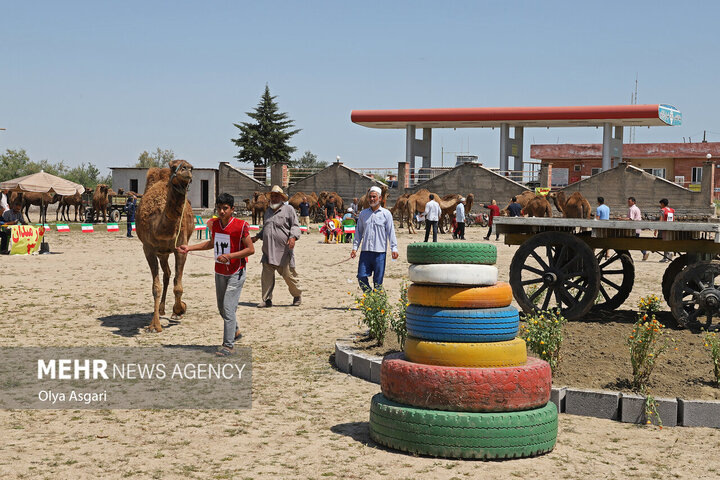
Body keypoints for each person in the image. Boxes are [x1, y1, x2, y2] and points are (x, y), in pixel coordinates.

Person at [177, 193, 255, 357]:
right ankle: (235, 331)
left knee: (228, 307)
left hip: (236, 271)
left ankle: (228, 346)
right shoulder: (215, 225)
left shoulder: (241, 226)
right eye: (219, 208)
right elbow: (212, 244)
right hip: (219, 271)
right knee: (222, 308)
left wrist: (230, 256)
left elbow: (250, 249)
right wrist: (189, 248)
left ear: (232, 209)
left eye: (225, 208)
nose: (221, 211)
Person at [252, 185, 302, 308]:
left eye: (276, 196)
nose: (273, 198)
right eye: (272, 196)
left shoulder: (289, 209)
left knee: (288, 276)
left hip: (284, 251)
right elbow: (266, 228)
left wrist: (293, 237)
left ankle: (297, 295)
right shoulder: (268, 211)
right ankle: (266, 300)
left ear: (281, 198)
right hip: (268, 250)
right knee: (266, 277)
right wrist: (257, 237)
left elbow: (295, 226)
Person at [351, 186, 399, 292]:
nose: (372, 199)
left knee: (378, 281)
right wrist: (355, 248)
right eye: (370, 197)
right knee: (361, 277)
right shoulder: (363, 214)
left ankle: (376, 303)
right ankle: (370, 296)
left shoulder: (386, 214)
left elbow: (391, 232)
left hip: (380, 253)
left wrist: (394, 248)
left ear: (380, 198)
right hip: (366, 252)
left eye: (374, 197)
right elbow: (358, 232)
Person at [627, 197, 649, 261]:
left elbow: (631, 218)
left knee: (633, 242)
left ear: (633, 202)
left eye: (629, 202)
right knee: (635, 241)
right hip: (637, 228)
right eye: (628, 201)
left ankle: (644, 252)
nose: (628, 203)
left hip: (633, 229)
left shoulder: (632, 209)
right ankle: (644, 252)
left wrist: (621, 219)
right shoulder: (637, 208)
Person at [658, 198, 675, 263]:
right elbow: (673, 219)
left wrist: (656, 229)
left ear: (662, 204)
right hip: (670, 227)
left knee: (663, 242)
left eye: (660, 204)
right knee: (668, 241)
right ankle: (667, 255)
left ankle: (667, 256)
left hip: (663, 228)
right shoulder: (672, 210)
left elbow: (661, 219)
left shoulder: (662, 210)